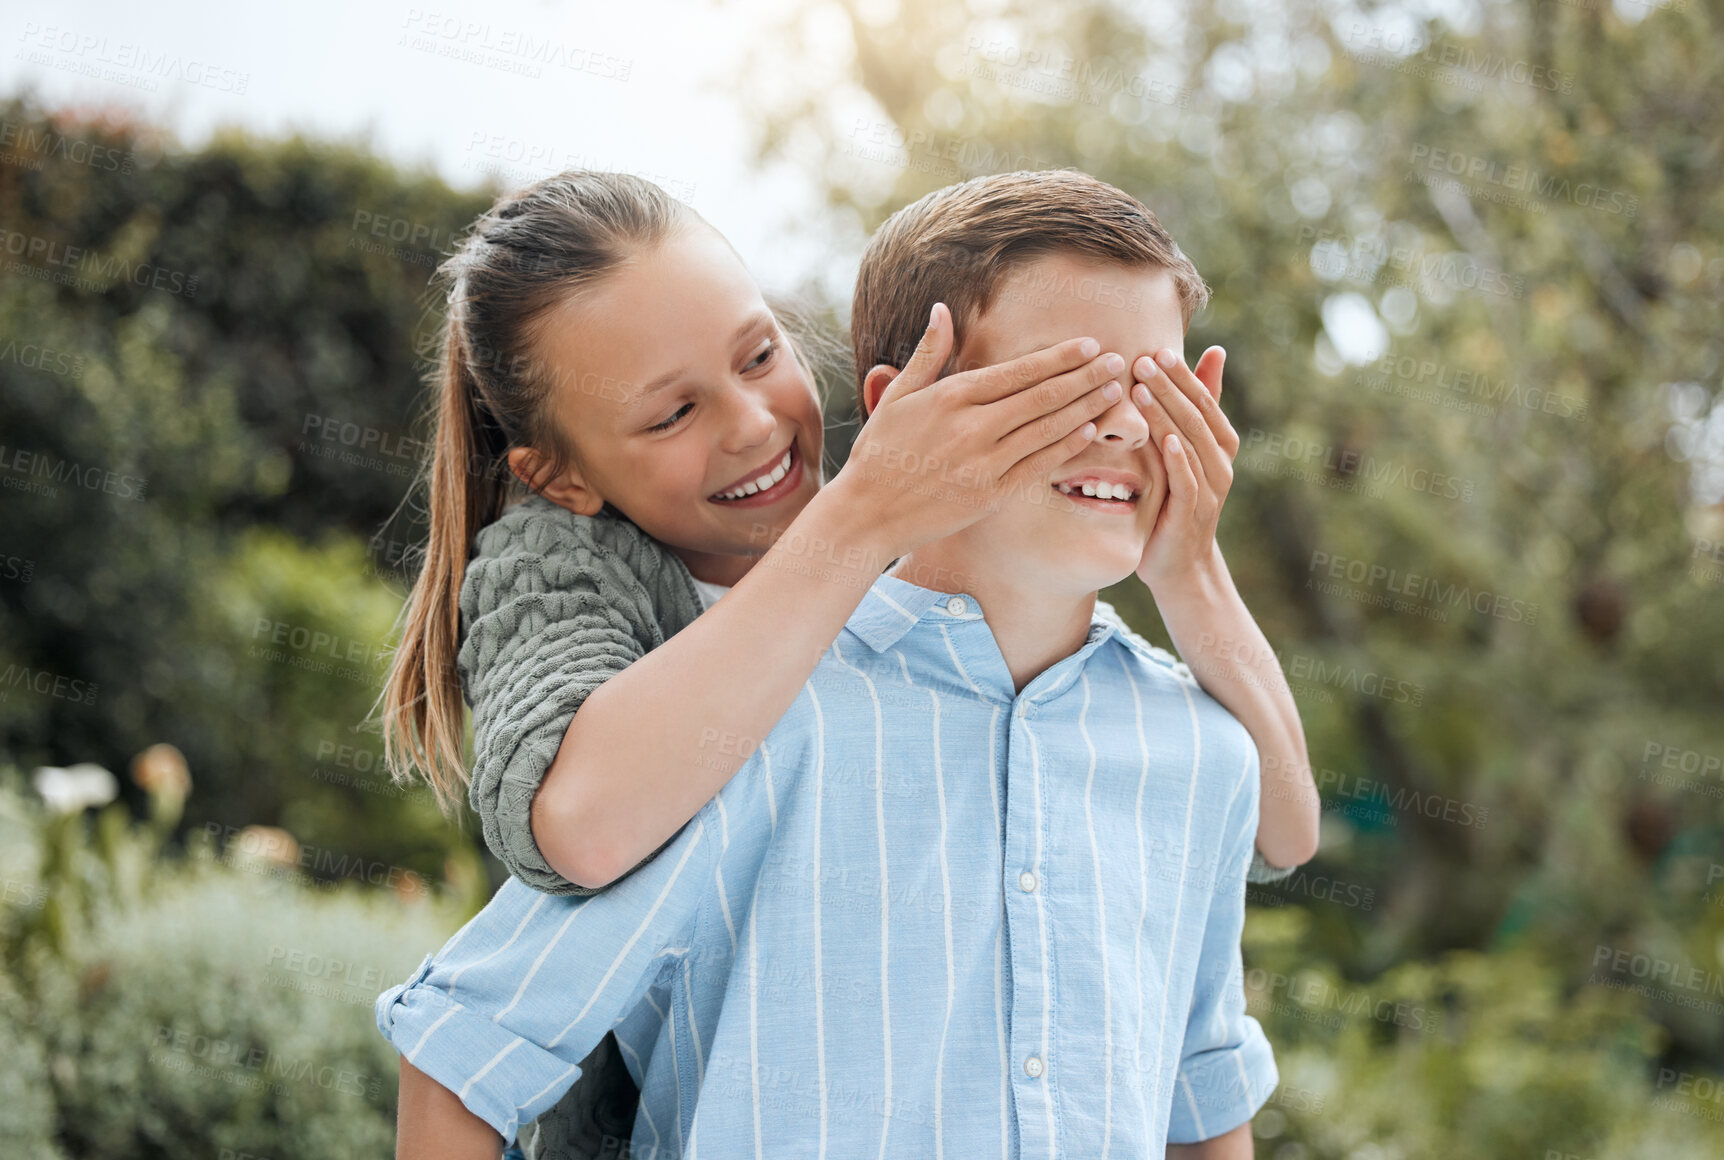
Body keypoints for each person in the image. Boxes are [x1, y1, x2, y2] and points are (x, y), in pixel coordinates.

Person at [378, 167, 1312, 1158]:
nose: (750, 424)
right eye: (1057, 388)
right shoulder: (702, 693)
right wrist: (869, 507)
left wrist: (1188, 556)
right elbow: (504, 967)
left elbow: (1206, 1053)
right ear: (906, 409)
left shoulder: (1186, 747)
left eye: (758, 353)